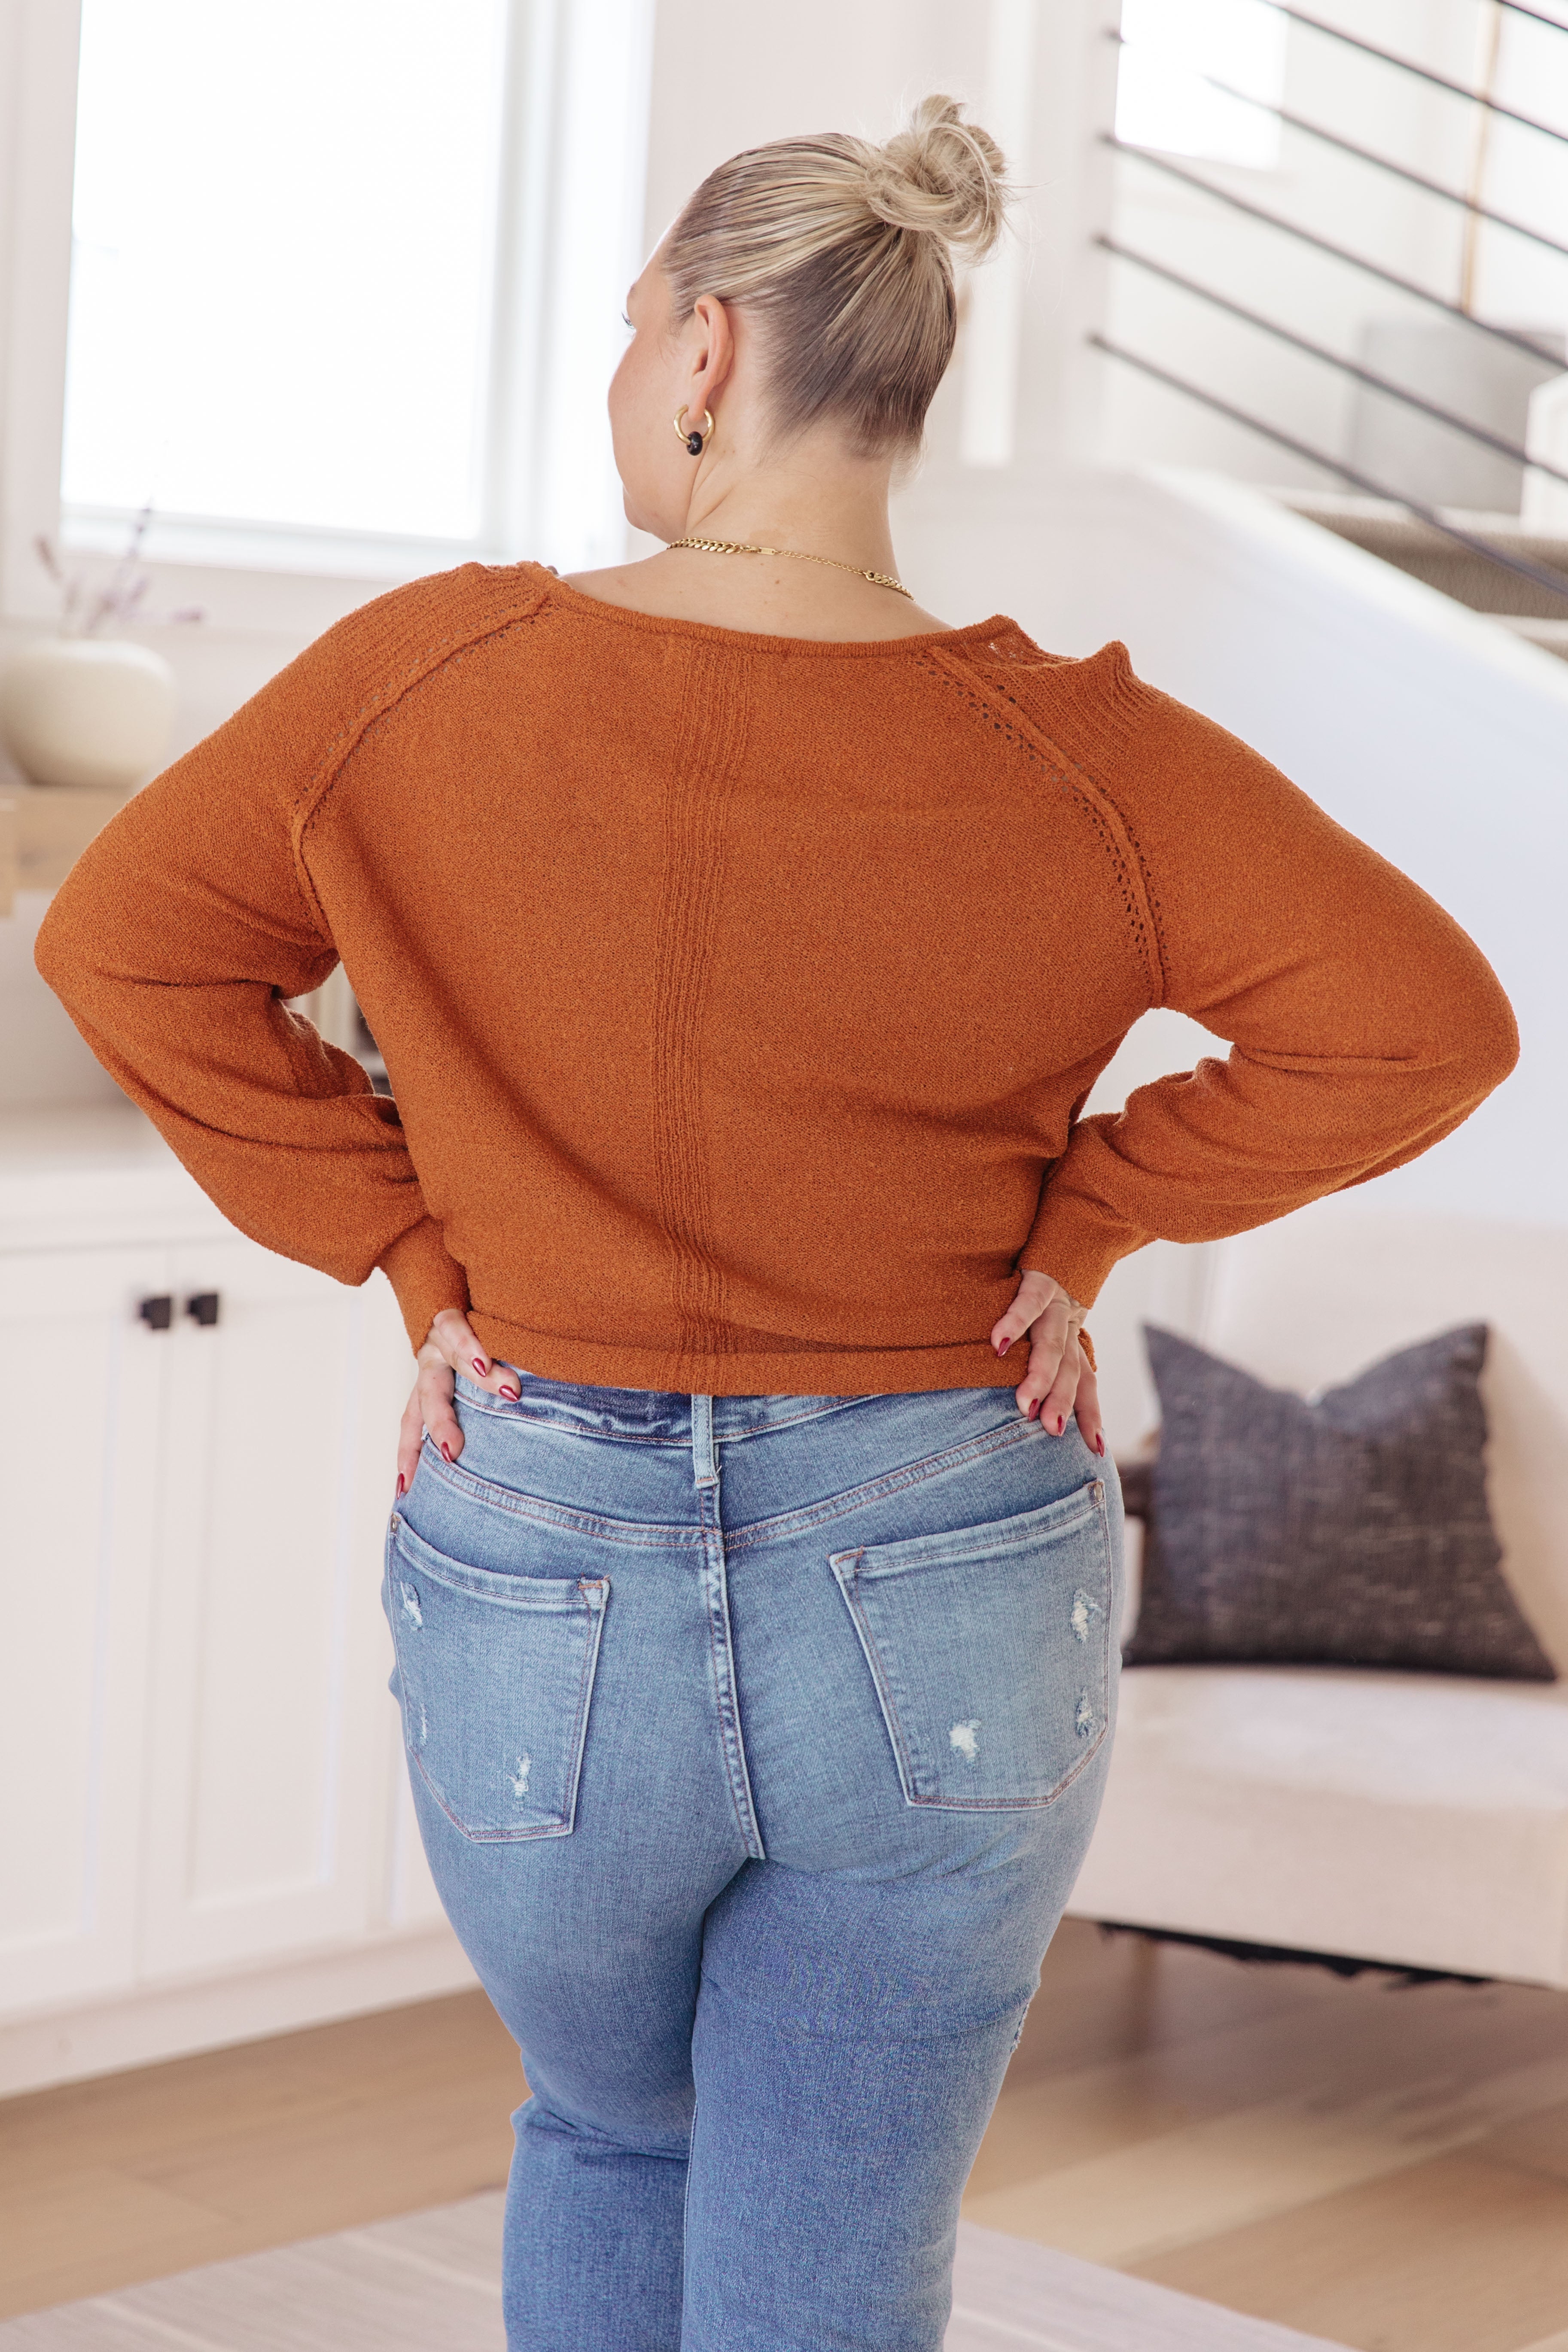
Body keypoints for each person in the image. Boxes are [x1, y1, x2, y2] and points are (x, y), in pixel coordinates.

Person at [36, 94, 1516, 2352]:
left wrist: (412, 1253)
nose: (622, 374)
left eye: (632, 326)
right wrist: (1092, 1216)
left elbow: (124, 948)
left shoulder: (424, 673)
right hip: (947, 1546)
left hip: (541, 1544)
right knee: (837, 2208)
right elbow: (1423, 1024)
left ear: (711, 349)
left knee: (610, 2127)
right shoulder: (1083, 756)